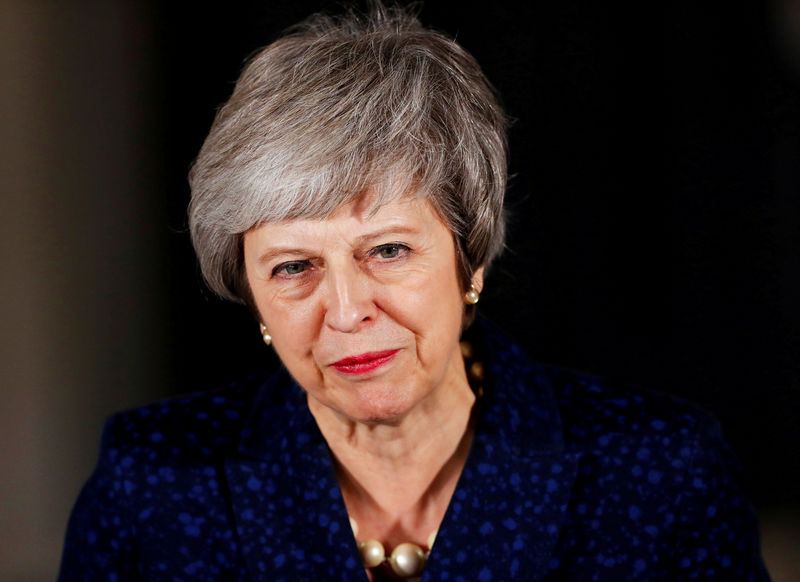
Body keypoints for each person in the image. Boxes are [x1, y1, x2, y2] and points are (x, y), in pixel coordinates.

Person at [59, 4, 770, 581]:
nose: (344, 311)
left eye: (389, 250)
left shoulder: (660, 472)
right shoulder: (151, 482)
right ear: (249, 292)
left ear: (472, 260)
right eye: (292, 267)